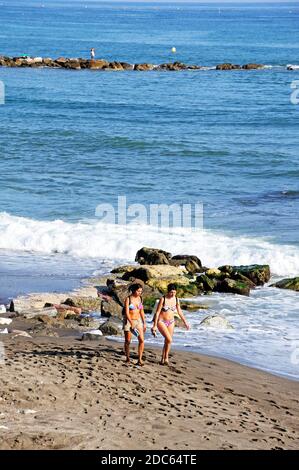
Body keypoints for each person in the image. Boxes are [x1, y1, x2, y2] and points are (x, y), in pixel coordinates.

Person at [151, 283, 190, 365]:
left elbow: (179, 311)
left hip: (171, 322)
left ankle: (163, 358)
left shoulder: (176, 299)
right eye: (171, 292)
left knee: (167, 341)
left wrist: (185, 322)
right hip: (161, 321)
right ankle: (166, 358)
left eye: (174, 292)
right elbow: (157, 312)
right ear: (168, 291)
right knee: (169, 339)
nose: (173, 294)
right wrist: (154, 326)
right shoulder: (163, 299)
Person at [123, 283, 146, 366]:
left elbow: (141, 311)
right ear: (134, 290)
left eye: (141, 291)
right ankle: (127, 358)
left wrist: (144, 322)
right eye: (138, 291)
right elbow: (126, 312)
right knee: (128, 341)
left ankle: (139, 359)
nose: (140, 293)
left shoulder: (140, 298)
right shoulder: (128, 299)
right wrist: (131, 322)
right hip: (128, 321)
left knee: (142, 340)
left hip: (138, 320)